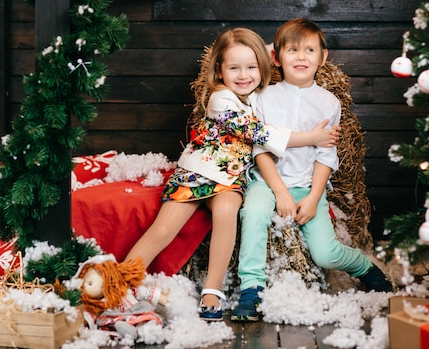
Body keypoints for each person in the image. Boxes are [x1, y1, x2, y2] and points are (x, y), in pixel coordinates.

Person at [125, 27, 339, 322]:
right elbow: (258, 133)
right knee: (164, 228)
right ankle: (122, 280)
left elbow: (267, 55)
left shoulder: (259, 97)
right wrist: (312, 137)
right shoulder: (221, 99)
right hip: (198, 174)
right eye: (234, 68)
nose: (243, 75)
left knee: (227, 214)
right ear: (219, 70)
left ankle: (212, 290)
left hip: (230, 181)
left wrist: (274, 52)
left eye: (252, 67)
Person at [231, 18, 393, 323]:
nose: (302, 57)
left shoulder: (328, 102)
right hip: (267, 182)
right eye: (292, 50)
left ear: (323, 57)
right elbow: (260, 149)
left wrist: (314, 195)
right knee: (253, 214)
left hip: (308, 185)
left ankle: (364, 267)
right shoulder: (263, 97)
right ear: (277, 58)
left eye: (309, 50)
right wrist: (279, 192)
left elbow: (325, 155)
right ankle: (251, 288)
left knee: (325, 253)